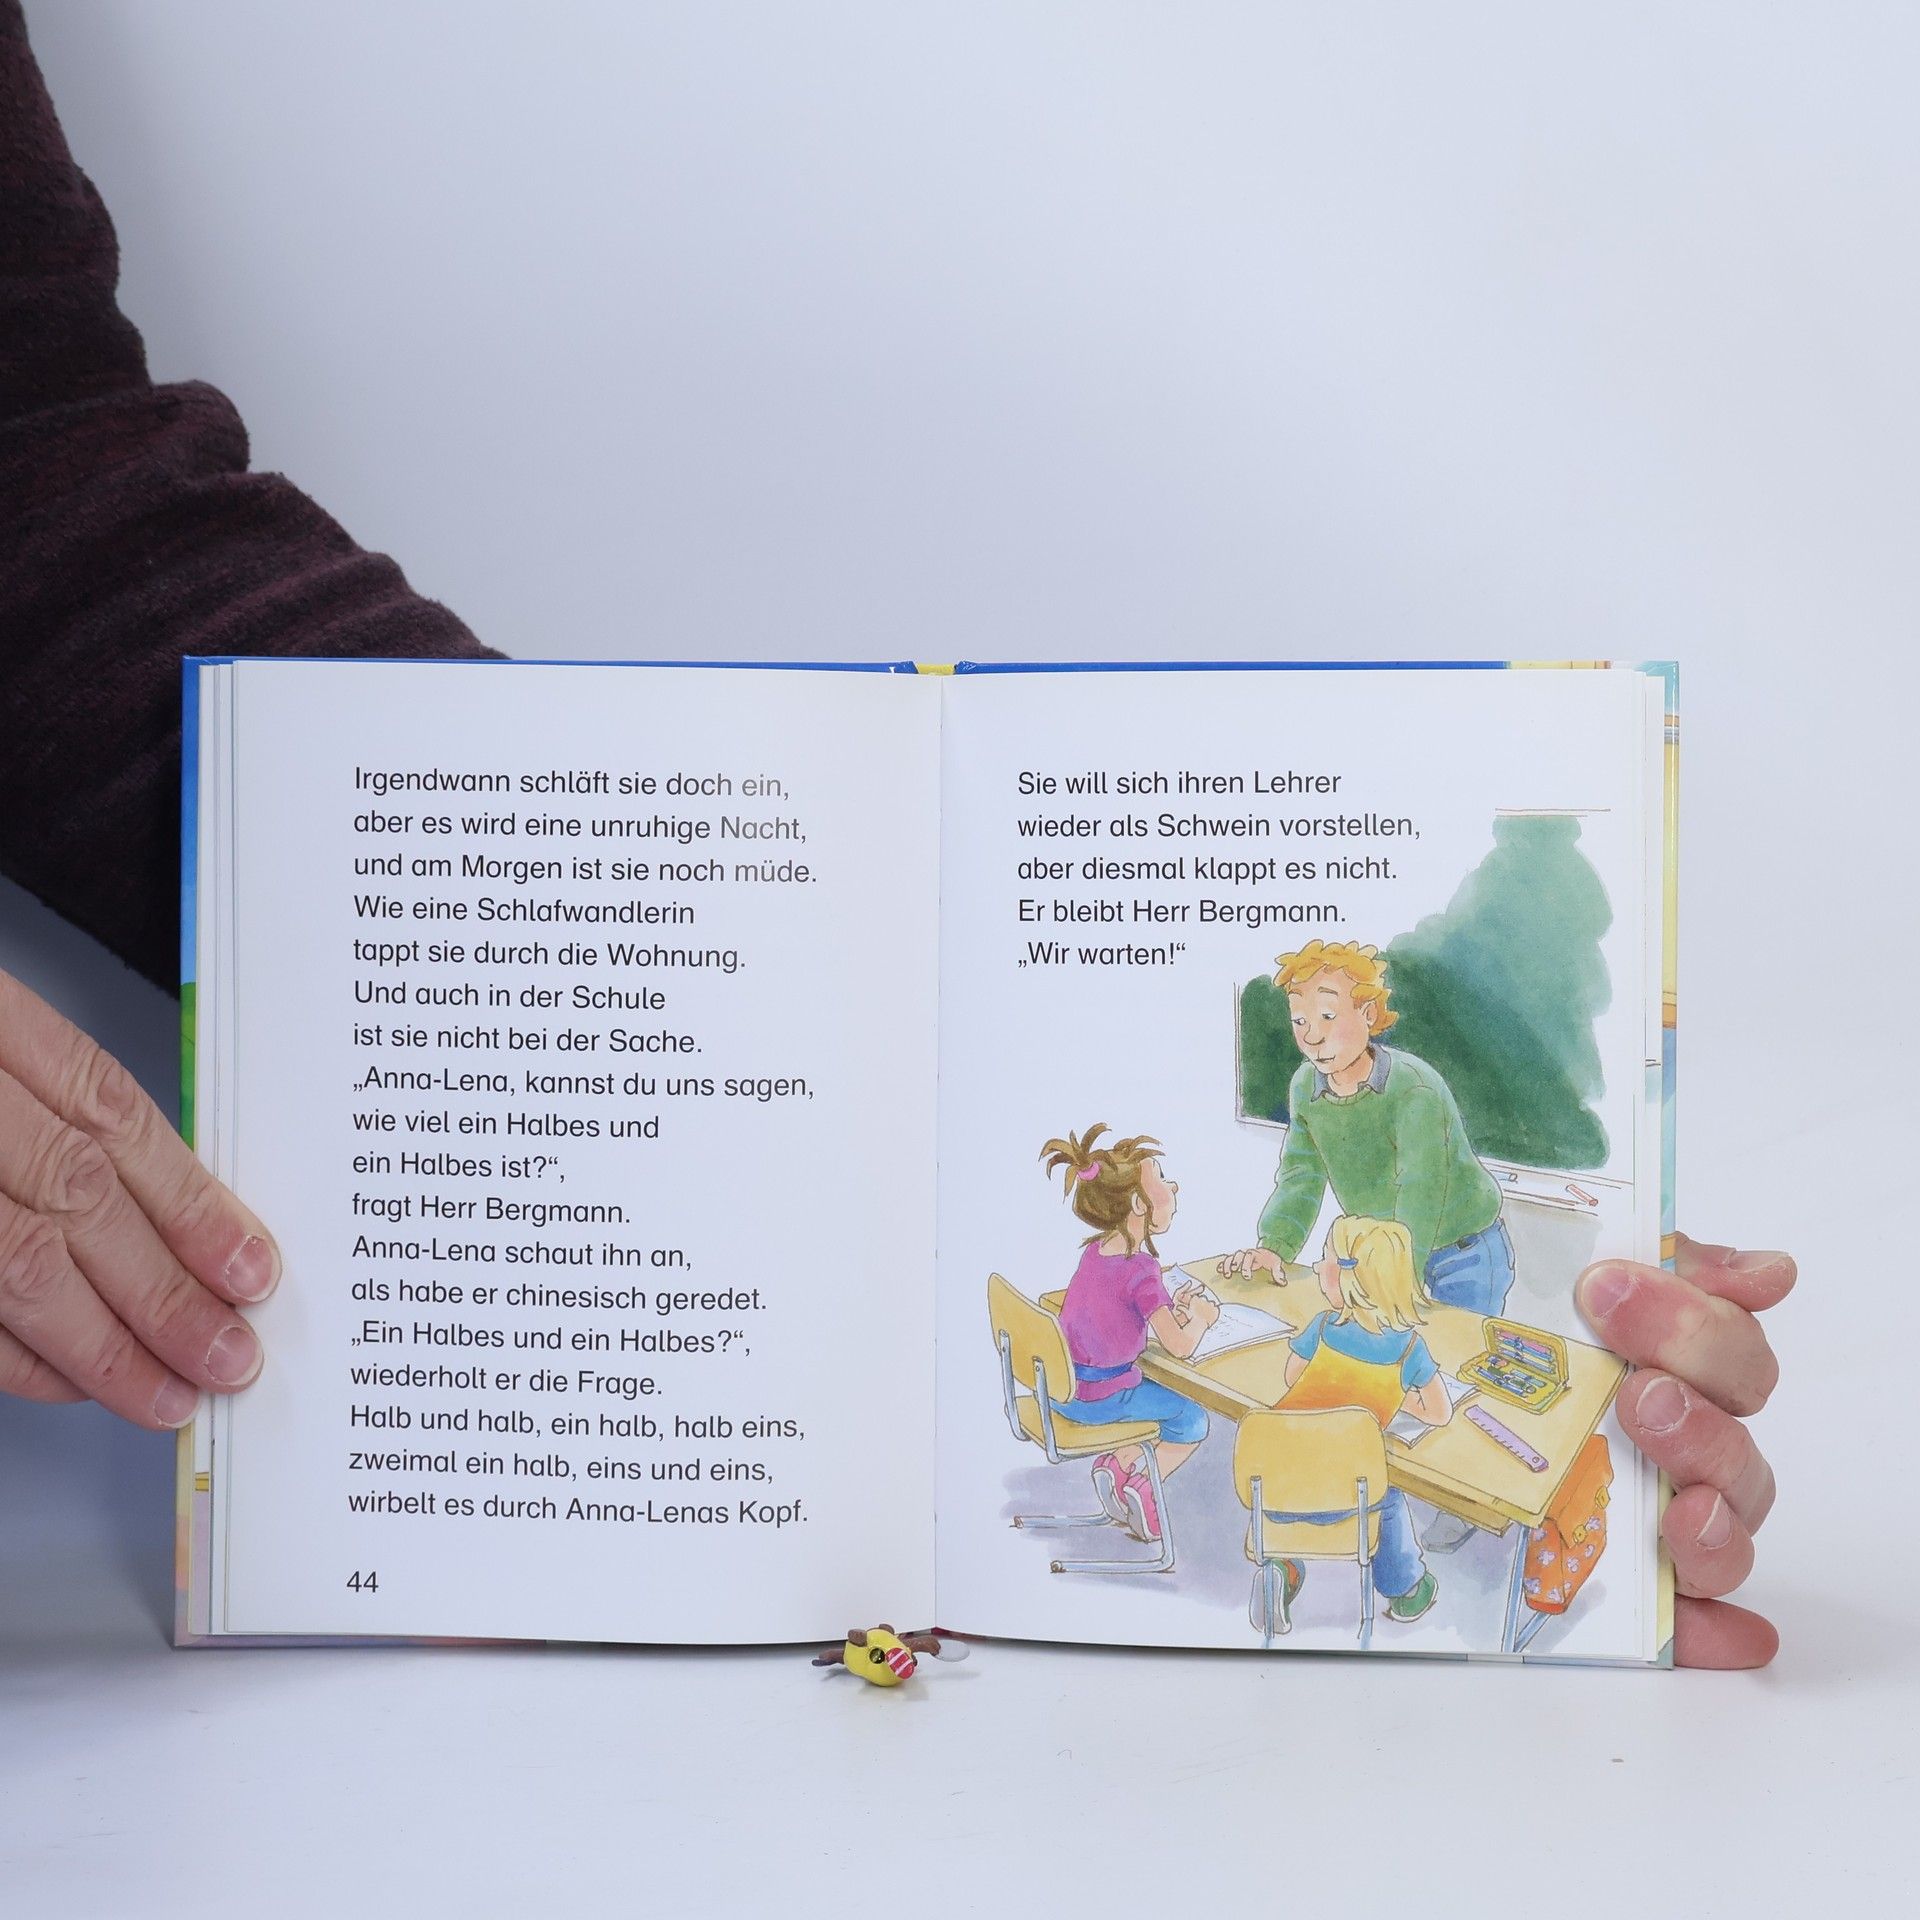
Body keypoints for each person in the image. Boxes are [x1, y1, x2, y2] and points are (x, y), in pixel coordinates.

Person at [0, 0, 1791, 1666]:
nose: (1317, 1036)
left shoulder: (1372, 1111)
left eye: (1331, 1016)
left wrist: (667, 925)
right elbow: (1297, 1207)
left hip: (1359, 1322)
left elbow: (50, 487)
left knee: (1398, 1389)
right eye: (1307, 1017)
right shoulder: (1231, 1193)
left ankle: (1453, 1538)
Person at [1225, 939, 1514, 1315]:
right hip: (1383, 1256)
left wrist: (1394, 1282)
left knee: (1450, 1350)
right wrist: (1274, 1247)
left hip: (1462, 1254)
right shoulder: (1305, 1086)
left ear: (1368, 1014)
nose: (1312, 1036)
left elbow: (1420, 1192)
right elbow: (1300, 1176)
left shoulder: (1413, 1088)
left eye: (1328, 1016)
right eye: (1300, 1021)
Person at [1263, 1215, 1452, 1625]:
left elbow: (1293, 1376)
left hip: (1282, 1490)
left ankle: (1283, 1566)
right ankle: (1405, 1590)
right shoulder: (1409, 1349)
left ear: (1350, 1279)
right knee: (1391, 1496)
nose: (1317, 1266)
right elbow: (1440, 1413)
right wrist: (1399, 1399)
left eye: (1325, 1259)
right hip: (1353, 1498)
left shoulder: (1322, 1327)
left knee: (1312, 1472)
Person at [1041, 1125, 1214, 1543]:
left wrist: (1168, 1310)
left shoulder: (1095, 1252)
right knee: (1192, 1420)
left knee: (1156, 1395)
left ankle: (1117, 1463)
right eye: (1162, 1180)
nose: (1174, 1187)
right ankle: (1144, 1485)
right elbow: (1180, 1347)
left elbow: (1113, 1316)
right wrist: (1202, 1319)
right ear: (1138, 1204)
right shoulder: (1142, 1270)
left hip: (1064, 1390)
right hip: (1102, 1398)